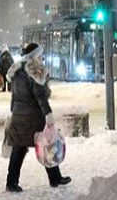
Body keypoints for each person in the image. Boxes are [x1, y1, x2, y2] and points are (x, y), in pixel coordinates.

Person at [4, 43, 71, 192]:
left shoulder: (17, 70)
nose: (41, 57)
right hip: (33, 117)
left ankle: (12, 182)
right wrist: (49, 115)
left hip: (19, 115)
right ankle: (55, 178)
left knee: (19, 149)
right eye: (40, 54)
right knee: (47, 145)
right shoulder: (35, 70)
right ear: (35, 55)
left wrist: (13, 112)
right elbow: (40, 97)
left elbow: (14, 96)